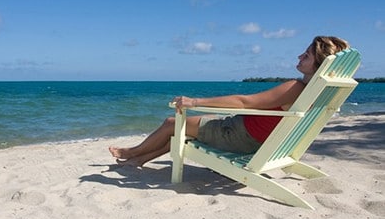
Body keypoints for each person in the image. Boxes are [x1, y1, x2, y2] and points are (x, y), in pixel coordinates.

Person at [109, 36, 350, 167]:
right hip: (260, 140)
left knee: (172, 122)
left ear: (317, 64)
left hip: (240, 136)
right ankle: (140, 159)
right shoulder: (319, 92)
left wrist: (195, 101)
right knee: (187, 128)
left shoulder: (295, 87)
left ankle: (130, 152)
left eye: (306, 55)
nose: (299, 56)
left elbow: (244, 102)